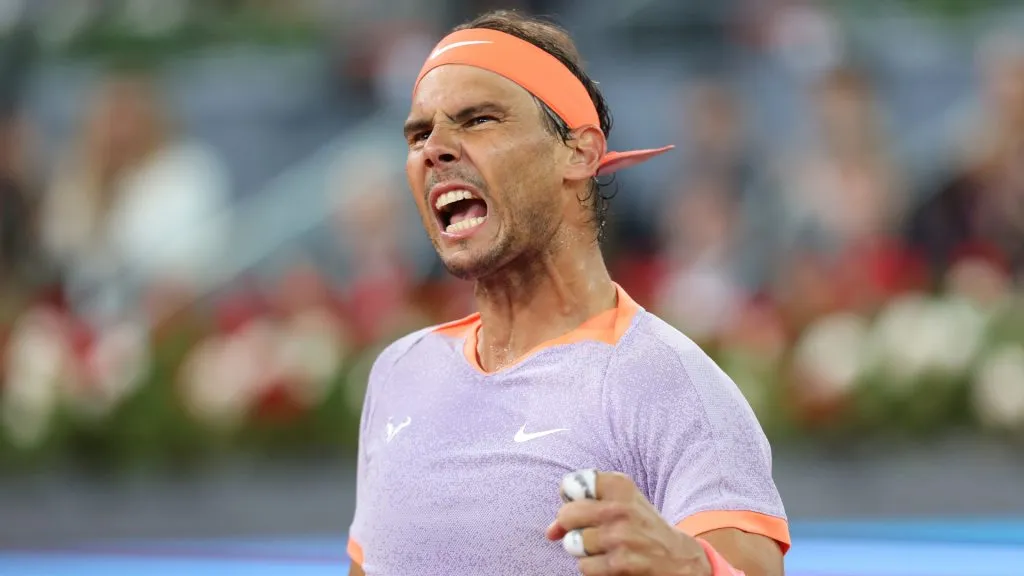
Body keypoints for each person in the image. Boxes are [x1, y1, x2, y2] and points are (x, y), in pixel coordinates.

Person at [347, 10, 789, 576]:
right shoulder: (397, 373)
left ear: (579, 152)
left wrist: (694, 569)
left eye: (478, 119)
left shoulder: (669, 383)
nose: (435, 149)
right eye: (418, 134)